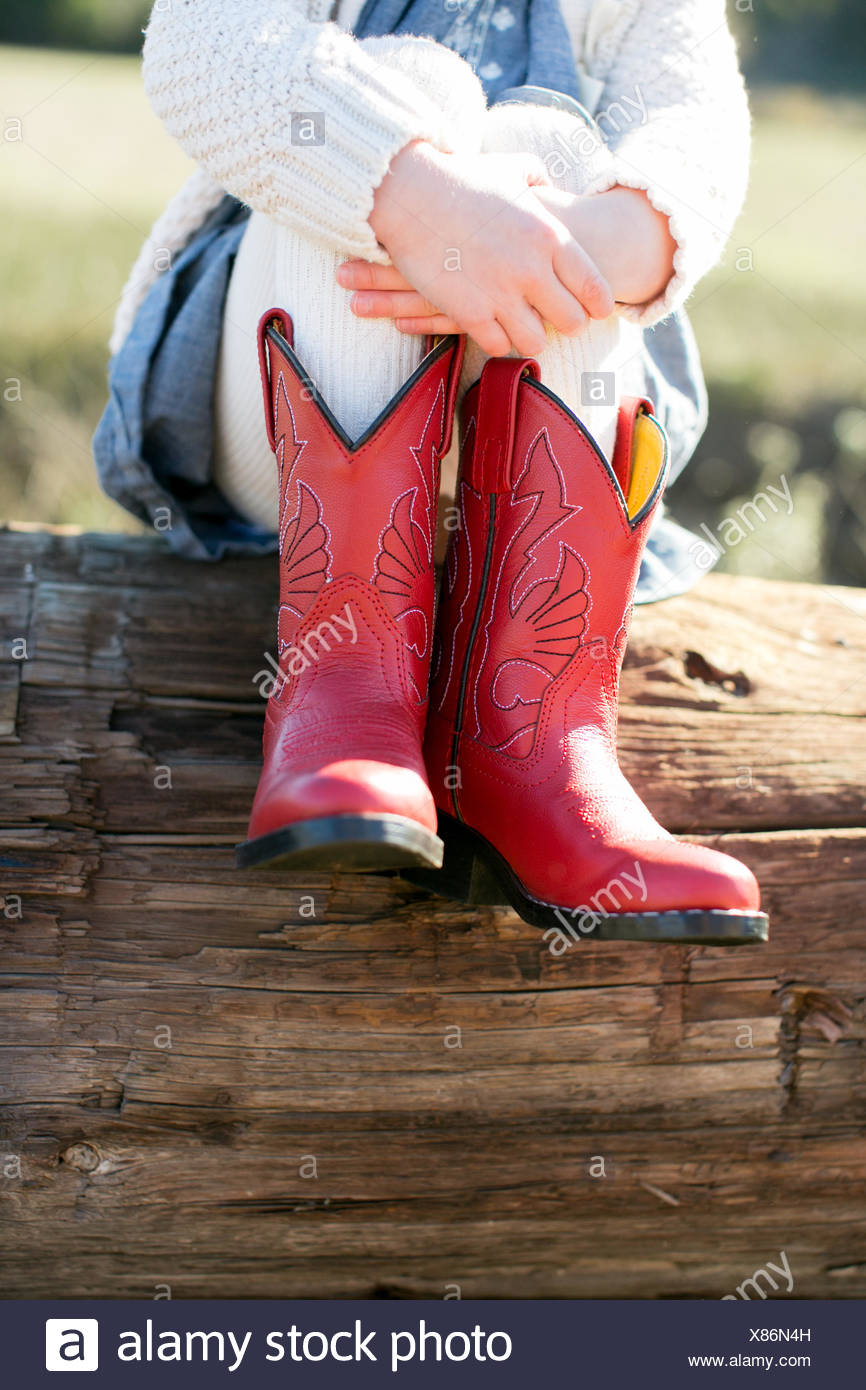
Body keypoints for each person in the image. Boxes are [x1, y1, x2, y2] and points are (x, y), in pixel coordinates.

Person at [94, 0, 768, 945]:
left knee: (556, 147)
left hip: (537, 411)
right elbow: (202, 34)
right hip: (288, 390)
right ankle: (343, 697)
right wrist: (428, 210)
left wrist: (566, 244)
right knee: (409, 92)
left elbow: (695, 118)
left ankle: (533, 747)